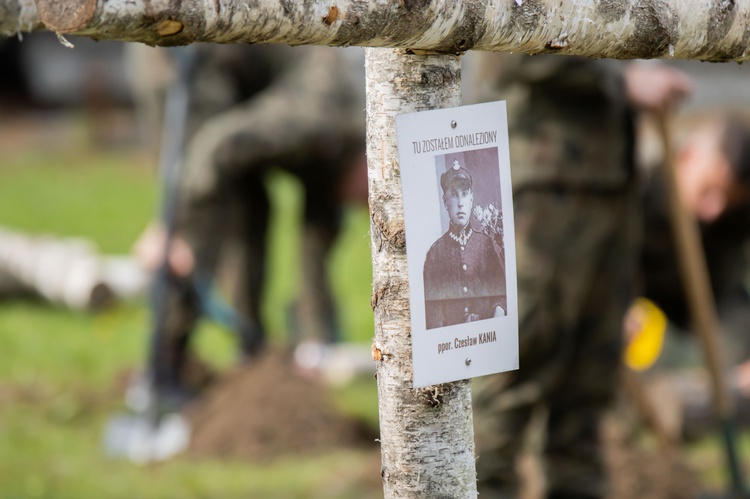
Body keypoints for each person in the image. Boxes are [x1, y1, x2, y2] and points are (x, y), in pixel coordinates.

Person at [466, 53, 691, 498]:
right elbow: (519, 33)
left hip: (609, 182)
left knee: (589, 381)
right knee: (514, 361)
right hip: (546, 186)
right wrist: (622, 78)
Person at [129, 43, 366, 408]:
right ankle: (162, 371)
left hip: (248, 85)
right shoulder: (321, 115)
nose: (367, 207)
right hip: (190, 44)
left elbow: (316, 251)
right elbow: (217, 147)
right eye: (371, 198)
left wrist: (315, 344)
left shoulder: (335, 167)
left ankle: (252, 357)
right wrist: (173, 224)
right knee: (211, 212)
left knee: (250, 201)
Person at [423, 158, 506, 329]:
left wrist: (498, 314)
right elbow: (432, 316)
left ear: (471, 199)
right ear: (445, 202)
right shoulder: (435, 254)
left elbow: (503, 294)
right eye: (454, 195)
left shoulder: (485, 244)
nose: (460, 203)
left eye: (465, 194)